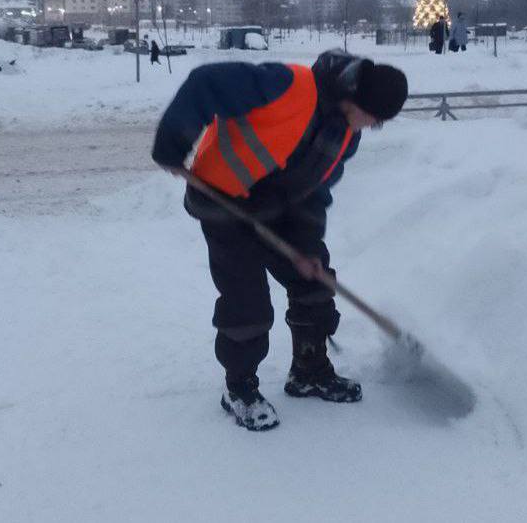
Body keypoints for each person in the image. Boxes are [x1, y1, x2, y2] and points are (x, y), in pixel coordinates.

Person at [152, 50, 408, 431]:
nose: (372, 127)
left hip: (276, 209)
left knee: (315, 281)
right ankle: (239, 388)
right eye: (373, 118)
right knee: (247, 302)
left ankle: (308, 370)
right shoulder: (287, 85)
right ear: (353, 99)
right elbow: (206, 83)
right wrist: (173, 144)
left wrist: (306, 245)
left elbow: (316, 190)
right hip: (223, 200)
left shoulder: (345, 135)